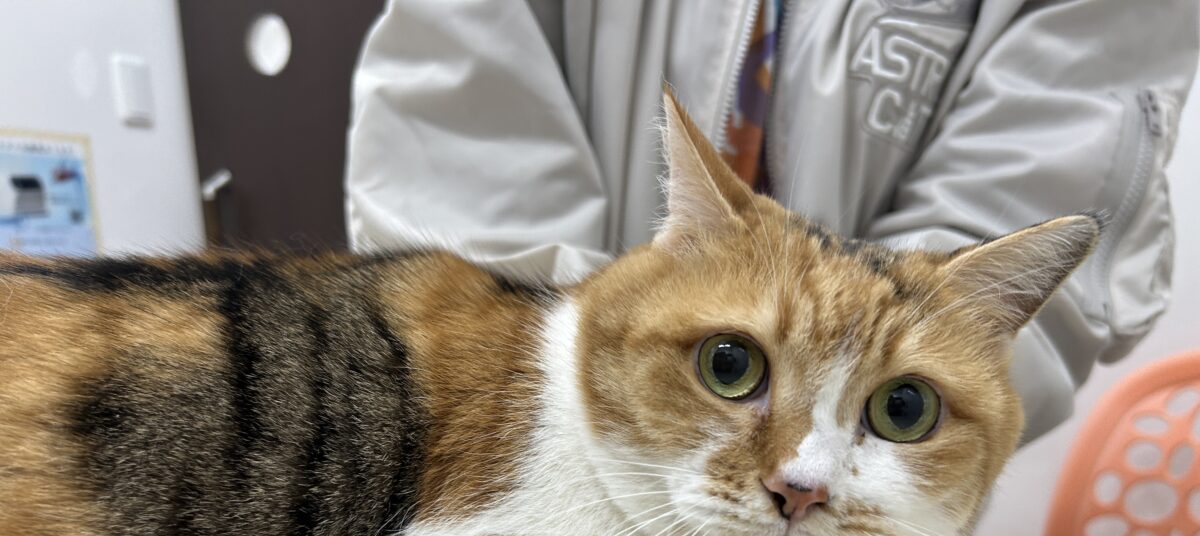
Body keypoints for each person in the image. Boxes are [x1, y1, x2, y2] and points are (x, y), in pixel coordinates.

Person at [345, 0, 1198, 443]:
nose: (795, 474)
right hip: (538, 438)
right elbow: (455, 144)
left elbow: (1042, 191)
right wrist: (582, 441)